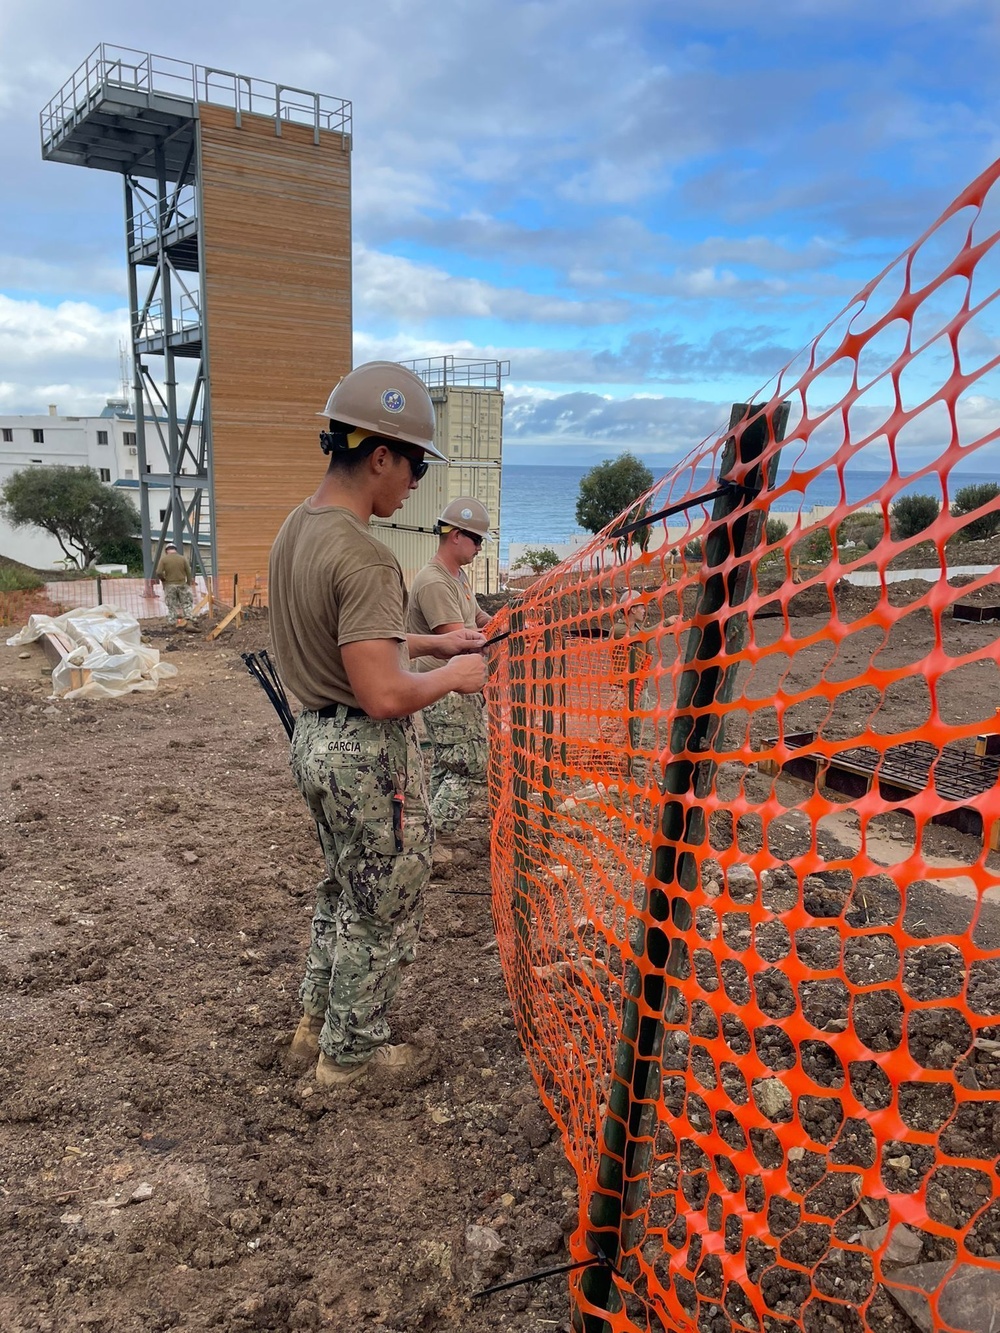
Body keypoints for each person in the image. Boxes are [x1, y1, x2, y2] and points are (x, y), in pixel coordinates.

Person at [268, 362, 487, 1091]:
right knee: (383, 898)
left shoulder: (297, 529)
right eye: (416, 462)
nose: (417, 482)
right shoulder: (365, 555)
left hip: (312, 739)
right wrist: (453, 677)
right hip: (363, 752)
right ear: (381, 454)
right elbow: (383, 692)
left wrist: (433, 644)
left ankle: (313, 1026)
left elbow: (357, 644)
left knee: (341, 887)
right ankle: (350, 1057)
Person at [407, 497, 492, 837]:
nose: (479, 548)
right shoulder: (435, 582)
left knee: (447, 766)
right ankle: (432, 839)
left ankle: (424, 833)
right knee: (472, 763)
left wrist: (501, 622)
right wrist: (489, 637)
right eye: (476, 539)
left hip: (458, 684)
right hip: (445, 686)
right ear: (455, 535)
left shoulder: (457, 577)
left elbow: (476, 618)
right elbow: (458, 639)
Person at [154, 542, 195, 627]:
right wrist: (188, 583)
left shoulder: (164, 560)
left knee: (172, 605)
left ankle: (172, 623)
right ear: (175, 550)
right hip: (182, 584)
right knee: (186, 603)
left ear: (166, 551)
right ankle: (189, 621)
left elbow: (158, 572)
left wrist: (164, 580)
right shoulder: (183, 559)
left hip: (170, 586)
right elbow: (188, 572)